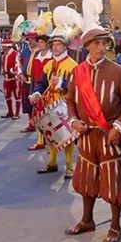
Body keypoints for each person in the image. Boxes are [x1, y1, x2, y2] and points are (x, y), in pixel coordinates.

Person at [65, 28, 121, 242]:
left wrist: (119, 126)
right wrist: (73, 121)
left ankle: (115, 226)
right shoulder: (77, 72)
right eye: (96, 43)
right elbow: (70, 101)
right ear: (87, 46)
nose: (101, 47)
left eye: (104, 43)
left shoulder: (118, 72)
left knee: (113, 181)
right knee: (86, 178)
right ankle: (87, 220)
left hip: (109, 136)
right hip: (86, 135)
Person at [30, 33, 77, 179]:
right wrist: (37, 92)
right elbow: (42, 83)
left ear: (65, 46)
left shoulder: (73, 65)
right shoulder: (49, 64)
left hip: (64, 104)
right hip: (49, 104)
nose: (55, 47)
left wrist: (62, 82)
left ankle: (69, 166)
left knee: (66, 135)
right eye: (54, 45)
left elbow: (77, 86)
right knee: (49, 134)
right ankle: (52, 163)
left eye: (58, 44)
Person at [25, 33, 52, 149]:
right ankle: (40, 140)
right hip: (37, 89)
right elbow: (32, 74)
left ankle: (50, 141)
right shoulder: (36, 55)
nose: (39, 44)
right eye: (39, 42)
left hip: (48, 91)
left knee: (49, 117)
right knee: (38, 116)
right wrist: (32, 91)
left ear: (47, 44)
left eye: (42, 42)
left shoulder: (52, 57)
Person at [0, 39, 21, 119]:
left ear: (7, 46)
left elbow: (17, 65)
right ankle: (10, 112)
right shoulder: (4, 55)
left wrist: (11, 71)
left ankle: (17, 113)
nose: (2, 47)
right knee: (7, 95)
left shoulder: (15, 54)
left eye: (3, 46)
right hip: (6, 78)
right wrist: (3, 71)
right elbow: (3, 65)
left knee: (17, 95)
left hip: (14, 78)